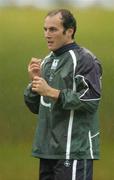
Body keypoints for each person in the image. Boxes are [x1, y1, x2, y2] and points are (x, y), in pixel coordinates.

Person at [24, 9, 102, 180]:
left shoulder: (85, 60)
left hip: (73, 150)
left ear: (69, 31)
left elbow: (91, 100)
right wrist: (34, 84)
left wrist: (51, 92)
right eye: (45, 29)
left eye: (53, 29)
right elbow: (36, 107)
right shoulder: (46, 61)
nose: (47, 35)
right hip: (47, 151)